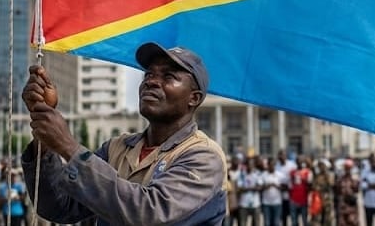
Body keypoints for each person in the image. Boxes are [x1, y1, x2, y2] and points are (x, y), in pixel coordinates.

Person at [22, 43, 228, 225]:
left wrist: (68, 147)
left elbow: (148, 213)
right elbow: (59, 206)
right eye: (149, 74)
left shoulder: (204, 157)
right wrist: (45, 136)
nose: (152, 81)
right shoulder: (116, 148)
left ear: (194, 98)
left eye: (169, 76)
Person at [308, 160, 333, 226]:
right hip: (317, 201)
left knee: (327, 220)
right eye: (320, 166)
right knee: (317, 220)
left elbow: (331, 184)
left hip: (326, 201)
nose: (321, 168)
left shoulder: (328, 175)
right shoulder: (317, 176)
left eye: (322, 166)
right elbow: (313, 187)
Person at [335, 161, 360, 226]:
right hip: (343, 205)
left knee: (353, 222)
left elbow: (356, 190)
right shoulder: (340, 179)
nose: (347, 170)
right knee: (342, 223)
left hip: (351, 206)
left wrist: (353, 180)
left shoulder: (354, 179)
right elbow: (337, 190)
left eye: (349, 168)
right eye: (346, 168)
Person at [262, 158, 286, 226]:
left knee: (276, 223)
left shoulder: (280, 175)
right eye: (270, 165)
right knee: (267, 223)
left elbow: (285, 188)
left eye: (273, 165)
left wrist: (276, 186)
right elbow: (260, 188)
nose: (272, 166)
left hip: (277, 203)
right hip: (266, 203)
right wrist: (267, 186)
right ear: (268, 165)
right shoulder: (264, 174)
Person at [289, 158, 312, 226]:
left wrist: (304, 180)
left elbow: (310, 186)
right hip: (294, 200)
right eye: (298, 162)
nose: (300, 163)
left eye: (301, 162)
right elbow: (289, 185)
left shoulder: (308, 172)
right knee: (294, 221)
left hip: (304, 200)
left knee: (305, 220)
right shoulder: (292, 172)